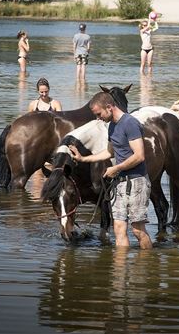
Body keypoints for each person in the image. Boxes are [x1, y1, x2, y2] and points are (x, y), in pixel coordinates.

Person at [68, 92, 152, 249]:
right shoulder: (112, 126)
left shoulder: (130, 123)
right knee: (119, 229)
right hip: (120, 183)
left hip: (137, 181)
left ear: (109, 107)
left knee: (137, 231)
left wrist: (116, 168)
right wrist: (82, 159)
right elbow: (109, 152)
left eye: (99, 114)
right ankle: (120, 271)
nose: (98, 118)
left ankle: (144, 268)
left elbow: (139, 156)